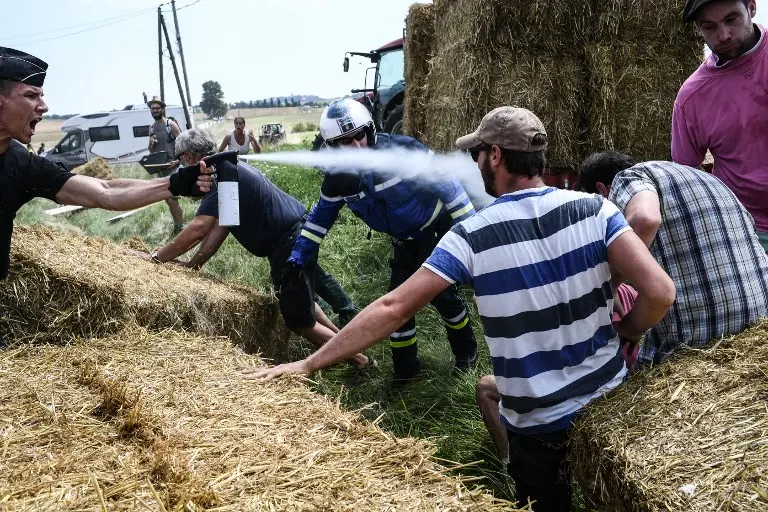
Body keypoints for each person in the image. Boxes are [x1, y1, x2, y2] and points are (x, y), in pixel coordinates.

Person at [252, 107, 676, 512]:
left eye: (477, 154)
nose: (474, 163)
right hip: (608, 398)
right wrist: (629, 331)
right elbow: (659, 292)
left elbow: (393, 307)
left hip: (538, 421)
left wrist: (309, 363)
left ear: (496, 155)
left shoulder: (471, 235)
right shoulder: (596, 209)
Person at [134, 129, 370, 368]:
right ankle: (351, 346)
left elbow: (199, 228)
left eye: (181, 160)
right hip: (295, 236)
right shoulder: (226, 167)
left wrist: (157, 258)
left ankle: (359, 360)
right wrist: (194, 264)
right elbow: (222, 225)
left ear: (190, 157)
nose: (182, 166)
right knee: (303, 302)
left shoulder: (219, 175)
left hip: (287, 242)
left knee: (300, 322)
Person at [285, 98, 478, 384]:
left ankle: (467, 356)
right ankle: (405, 373)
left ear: (370, 130)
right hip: (404, 240)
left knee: (443, 297)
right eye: (345, 141)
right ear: (332, 147)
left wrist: (474, 241)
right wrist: (297, 258)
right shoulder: (338, 179)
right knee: (398, 307)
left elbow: (453, 192)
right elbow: (319, 220)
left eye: (359, 136)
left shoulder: (404, 151)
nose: (357, 146)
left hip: (436, 231)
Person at [0, 47, 213, 283]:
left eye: (41, 95)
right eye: (31, 96)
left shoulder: (24, 165)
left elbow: (107, 191)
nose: (44, 106)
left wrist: (178, 182)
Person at [579, 151, 768, 365]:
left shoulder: (628, 178)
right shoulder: (703, 178)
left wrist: (611, 286)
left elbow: (644, 219)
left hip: (696, 344)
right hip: (756, 326)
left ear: (602, 190)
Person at [672, 0, 768, 250]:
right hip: (747, 229)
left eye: (731, 19)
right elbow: (685, 175)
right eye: (709, 26)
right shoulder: (692, 98)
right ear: (698, 29)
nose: (723, 35)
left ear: (751, 7)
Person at [147, 95, 185, 234]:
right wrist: (152, 144)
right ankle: (178, 225)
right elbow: (151, 150)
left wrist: (177, 162)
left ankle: (180, 227)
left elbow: (183, 145)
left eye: (157, 108)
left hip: (173, 166)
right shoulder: (151, 128)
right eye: (153, 109)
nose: (155, 111)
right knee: (168, 199)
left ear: (162, 109)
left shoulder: (171, 125)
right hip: (160, 168)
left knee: (171, 198)